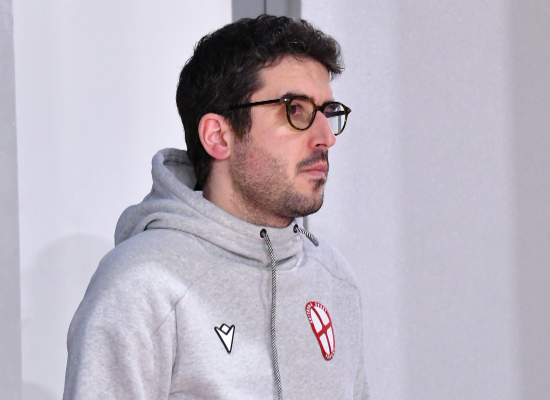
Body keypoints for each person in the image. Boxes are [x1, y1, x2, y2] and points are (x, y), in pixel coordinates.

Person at [63, 15, 368, 400]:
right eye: (296, 110)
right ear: (218, 136)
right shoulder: (141, 288)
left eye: (328, 112)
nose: (326, 137)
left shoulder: (333, 279)